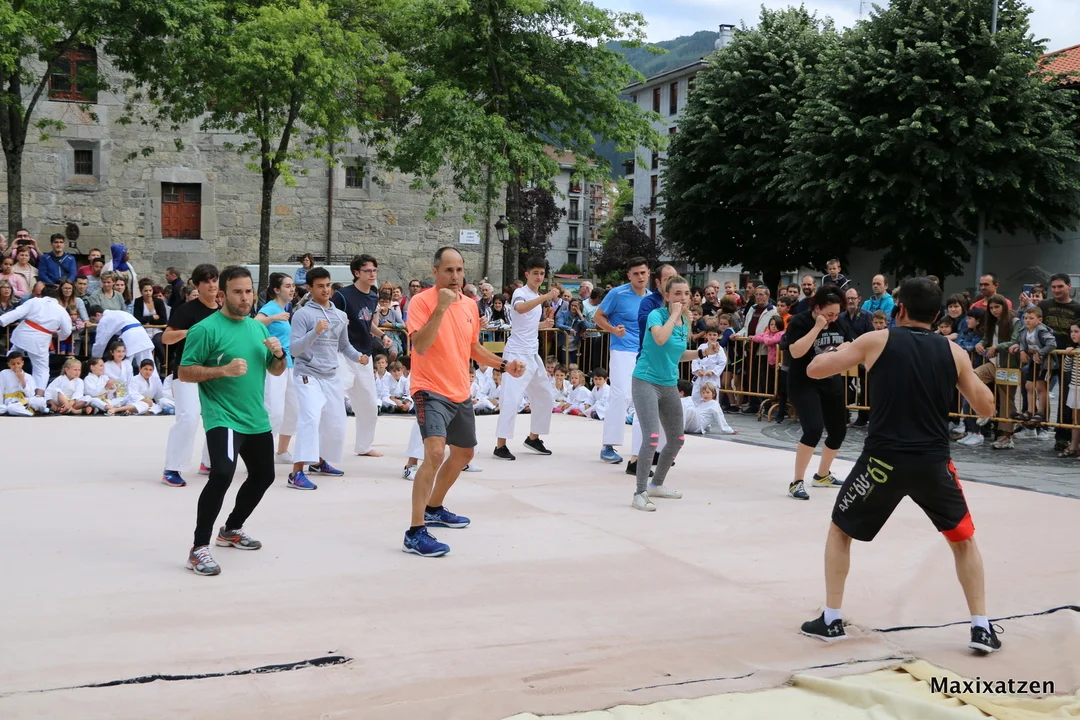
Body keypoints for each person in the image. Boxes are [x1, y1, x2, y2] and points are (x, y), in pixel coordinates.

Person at [798, 277, 1001, 655]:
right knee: (963, 539)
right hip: (933, 463)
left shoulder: (876, 340)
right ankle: (981, 627)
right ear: (937, 315)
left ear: (900, 309)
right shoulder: (953, 352)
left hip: (882, 462)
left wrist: (839, 349)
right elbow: (986, 407)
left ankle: (831, 618)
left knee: (840, 531)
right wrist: (970, 374)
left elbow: (815, 370)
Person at [402, 247, 525, 558]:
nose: (455, 276)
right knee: (434, 453)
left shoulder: (470, 305)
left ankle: (434, 508)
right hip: (429, 389)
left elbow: (473, 348)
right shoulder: (421, 302)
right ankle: (415, 532)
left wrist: (504, 365)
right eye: (448, 270)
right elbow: (420, 346)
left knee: (464, 453)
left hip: (460, 390)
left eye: (459, 270)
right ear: (435, 272)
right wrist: (440, 308)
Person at [180, 265, 288, 577]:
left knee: (264, 476)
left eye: (248, 291)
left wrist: (279, 356)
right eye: (237, 292)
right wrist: (222, 370)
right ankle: (199, 548)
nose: (244, 298)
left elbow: (275, 371)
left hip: (255, 417)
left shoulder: (258, 329)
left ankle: (231, 529)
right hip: (222, 416)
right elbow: (185, 372)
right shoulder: (205, 329)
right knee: (222, 474)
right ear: (222, 295)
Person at [630, 275, 722, 511]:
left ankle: (656, 485)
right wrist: (674, 314)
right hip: (645, 381)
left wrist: (704, 353)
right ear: (667, 296)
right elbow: (660, 339)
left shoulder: (684, 321)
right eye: (678, 294)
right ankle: (639, 493)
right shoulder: (657, 315)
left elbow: (677, 354)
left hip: (669, 384)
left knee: (677, 439)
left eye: (686, 293)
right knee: (652, 437)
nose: (683, 298)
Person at [289, 267, 368, 490]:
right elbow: (294, 349)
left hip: (331, 375)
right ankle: (296, 472)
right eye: (320, 286)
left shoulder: (340, 315)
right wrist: (314, 332)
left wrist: (358, 357)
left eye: (328, 285)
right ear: (309, 288)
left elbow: (344, 346)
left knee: (335, 422)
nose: (325, 290)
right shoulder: (302, 314)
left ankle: (319, 461)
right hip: (307, 374)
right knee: (310, 418)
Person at [779, 286, 850, 500]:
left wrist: (836, 351)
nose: (833, 318)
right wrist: (817, 327)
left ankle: (822, 475)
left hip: (831, 380)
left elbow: (849, 343)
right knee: (813, 429)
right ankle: (797, 481)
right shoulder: (799, 321)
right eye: (829, 314)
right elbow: (795, 351)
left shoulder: (839, 321)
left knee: (838, 430)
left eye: (836, 314)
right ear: (817, 308)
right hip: (804, 382)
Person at [493, 257, 559, 460]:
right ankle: (500, 445)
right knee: (511, 399)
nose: (539, 277)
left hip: (532, 353)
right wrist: (546, 296)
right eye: (535, 273)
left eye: (542, 273)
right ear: (527, 274)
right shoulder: (520, 293)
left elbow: (525, 323)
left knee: (545, 396)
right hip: (516, 353)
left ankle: (533, 438)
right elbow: (520, 308)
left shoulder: (536, 296)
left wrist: (542, 325)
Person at [161, 264, 219, 488]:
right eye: (206, 281)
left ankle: (210, 462)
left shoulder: (222, 311)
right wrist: (191, 332)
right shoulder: (185, 310)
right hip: (186, 371)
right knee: (189, 417)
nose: (212, 285)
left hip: (215, 372)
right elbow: (166, 338)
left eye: (214, 280)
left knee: (219, 417)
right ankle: (172, 467)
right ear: (196, 285)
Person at [332, 254, 394, 458]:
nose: (372, 274)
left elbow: (367, 324)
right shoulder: (342, 296)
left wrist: (382, 335)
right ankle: (323, 448)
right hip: (342, 355)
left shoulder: (373, 296)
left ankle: (364, 446)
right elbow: (329, 318)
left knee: (369, 404)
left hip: (365, 356)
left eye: (374, 270)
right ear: (357, 273)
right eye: (368, 271)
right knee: (333, 400)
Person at [593, 257, 650, 464]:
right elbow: (598, 317)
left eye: (643, 273)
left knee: (647, 398)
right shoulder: (617, 293)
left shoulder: (652, 298)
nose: (640, 277)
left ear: (649, 273)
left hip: (645, 352)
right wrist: (613, 330)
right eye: (636, 273)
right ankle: (608, 445)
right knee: (621, 394)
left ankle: (647, 447)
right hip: (622, 349)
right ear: (629, 275)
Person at [625, 263, 677, 476]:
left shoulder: (677, 303)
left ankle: (655, 454)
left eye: (675, 277)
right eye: (668, 279)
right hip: (648, 365)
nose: (673, 282)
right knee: (644, 415)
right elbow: (650, 328)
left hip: (667, 366)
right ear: (658, 282)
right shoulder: (650, 303)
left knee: (664, 413)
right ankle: (636, 460)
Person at [255, 272, 299, 464]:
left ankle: (281, 452)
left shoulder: (286, 308)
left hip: (289, 365)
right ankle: (259, 455)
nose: (292, 289)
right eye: (288, 286)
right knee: (274, 411)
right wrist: (273, 317)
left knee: (293, 410)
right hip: (274, 365)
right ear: (276, 290)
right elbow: (254, 323)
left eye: (293, 286)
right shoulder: (270, 307)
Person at [0, 287, 72, 395]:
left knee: (12, 356)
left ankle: (6, 385)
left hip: (23, 335)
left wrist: (2, 320)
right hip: (40, 340)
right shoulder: (61, 310)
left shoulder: (34, 301)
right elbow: (67, 331)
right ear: (57, 297)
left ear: (41, 295)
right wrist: (58, 335)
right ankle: (38, 395)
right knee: (41, 369)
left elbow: (17, 313)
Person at [90, 308, 157, 367]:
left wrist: (95, 358)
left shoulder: (105, 319)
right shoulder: (118, 313)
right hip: (142, 334)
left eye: (93, 319)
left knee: (125, 365)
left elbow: (100, 342)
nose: (95, 322)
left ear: (98, 314)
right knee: (148, 364)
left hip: (130, 336)